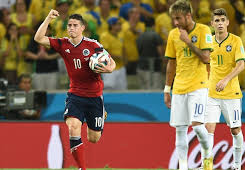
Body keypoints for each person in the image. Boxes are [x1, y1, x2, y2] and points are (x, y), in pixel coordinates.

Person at [34, 10, 116, 170]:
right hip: (75, 95)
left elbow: (111, 63)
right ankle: (82, 168)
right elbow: (38, 38)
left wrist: (108, 69)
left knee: (94, 138)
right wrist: (48, 19)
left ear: (82, 28)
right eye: (69, 25)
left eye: (75, 25)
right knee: (73, 127)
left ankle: (102, 113)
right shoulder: (63, 44)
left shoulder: (93, 45)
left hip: (94, 97)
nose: (71, 28)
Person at [163, 0, 213, 169]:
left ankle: (207, 157)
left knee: (198, 128)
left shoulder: (204, 30)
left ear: (188, 16)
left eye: (178, 18)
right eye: (173, 19)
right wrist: (167, 89)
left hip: (198, 86)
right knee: (180, 130)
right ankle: (183, 166)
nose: (175, 22)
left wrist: (188, 42)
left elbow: (206, 58)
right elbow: (171, 63)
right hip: (179, 88)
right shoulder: (172, 35)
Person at [206, 8, 245, 170]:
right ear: (212, 24)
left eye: (223, 20)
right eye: (217, 20)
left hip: (232, 93)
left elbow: (241, 64)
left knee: (235, 129)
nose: (220, 23)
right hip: (212, 93)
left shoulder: (236, 41)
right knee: (208, 128)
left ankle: (237, 165)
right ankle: (207, 165)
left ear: (228, 22)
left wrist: (226, 79)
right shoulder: (208, 41)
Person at [136, 17, 164, 90]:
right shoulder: (155, 35)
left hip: (141, 68)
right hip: (153, 70)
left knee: (143, 92)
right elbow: (160, 51)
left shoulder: (140, 37)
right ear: (154, 25)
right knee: (154, 92)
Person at [100, 17, 127, 90]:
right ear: (112, 26)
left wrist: (124, 60)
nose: (120, 26)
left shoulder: (120, 36)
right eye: (118, 24)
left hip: (120, 67)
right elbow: (105, 53)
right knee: (109, 89)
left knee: (122, 90)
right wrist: (118, 57)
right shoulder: (105, 36)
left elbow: (123, 49)